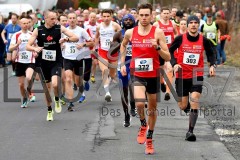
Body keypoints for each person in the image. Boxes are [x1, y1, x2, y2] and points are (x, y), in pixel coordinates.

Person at [120, 3, 170, 155]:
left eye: (146, 15)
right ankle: (143, 124)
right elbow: (123, 46)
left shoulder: (158, 32)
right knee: (140, 103)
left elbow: (167, 56)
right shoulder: (130, 32)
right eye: (141, 15)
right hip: (138, 74)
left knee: (153, 109)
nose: (143, 18)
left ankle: (149, 138)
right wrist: (122, 63)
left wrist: (157, 48)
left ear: (151, 15)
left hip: (153, 75)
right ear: (137, 16)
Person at [169, 15, 216, 141]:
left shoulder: (203, 40)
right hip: (182, 75)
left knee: (194, 99)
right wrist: (174, 64)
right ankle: (188, 108)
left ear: (198, 25)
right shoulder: (180, 38)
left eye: (196, 22)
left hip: (197, 74)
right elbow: (170, 51)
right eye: (191, 23)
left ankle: (190, 131)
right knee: (183, 106)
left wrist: (212, 65)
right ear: (188, 25)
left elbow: (211, 52)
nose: (194, 25)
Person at [26, 10, 79, 121]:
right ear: (45, 18)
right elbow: (28, 46)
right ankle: (49, 109)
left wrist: (66, 39)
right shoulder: (38, 30)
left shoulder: (59, 28)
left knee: (55, 84)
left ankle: (56, 99)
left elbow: (75, 37)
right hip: (42, 62)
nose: (55, 21)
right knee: (47, 88)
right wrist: (35, 48)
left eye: (55, 18)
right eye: (52, 19)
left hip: (56, 61)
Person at [62, 12, 94, 110]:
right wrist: (61, 46)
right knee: (68, 79)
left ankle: (82, 92)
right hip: (67, 58)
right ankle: (70, 102)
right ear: (68, 20)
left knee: (78, 81)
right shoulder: (63, 31)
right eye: (70, 18)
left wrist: (83, 45)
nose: (72, 20)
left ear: (76, 20)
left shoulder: (81, 31)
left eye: (73, 18)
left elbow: (92, 42)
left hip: (78, 59)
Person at [109, 14, 136, 127]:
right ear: (122, 22)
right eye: (126, 20)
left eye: (130, 20)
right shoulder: (119, 34)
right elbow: (111, 51)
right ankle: (126, 115)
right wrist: (122, 44)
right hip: (123, 65)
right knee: (123, 91)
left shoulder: (138, 33)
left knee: (133, 86)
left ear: (134, 22)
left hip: (135, 64)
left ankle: (133, 105)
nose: (128, 21)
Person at [9, 16, 36, 108]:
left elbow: (36, 46)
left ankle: (29, 92)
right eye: (24, 23)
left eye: (27, 23)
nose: (26, 25)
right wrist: (17, 44)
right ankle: (24, 98)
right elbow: (10, 48)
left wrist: (35, 51)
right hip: (19, 61)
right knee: (21, 85)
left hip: (30, 60)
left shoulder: (32, 34)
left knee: (28, 77)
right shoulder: (16, 35)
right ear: (20, 24)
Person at [95, 9, 121, 102]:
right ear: (101, 17)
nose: (106, 18)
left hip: (113, 51)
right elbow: (97, 37)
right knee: (105, 70)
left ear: (111, 16)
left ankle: (110, 79)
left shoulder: (116, 26)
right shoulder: (99, 27)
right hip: (103, 51)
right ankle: (107, 93)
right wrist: (95, 48)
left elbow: (121, 38)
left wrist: (119, 45)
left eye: (108, 16)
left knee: (112, 74)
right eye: (104, 16)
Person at [153, 7, 178, 101]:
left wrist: (174, 41)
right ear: (161, 14)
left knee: (170, 69)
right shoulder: (156, 24)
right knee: (160, 69)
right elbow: (153, 35)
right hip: (160, 50)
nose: (166, 15)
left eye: (168, 13)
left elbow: (176, 33)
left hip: (170, 50)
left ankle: (168, 92)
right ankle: (162, 82)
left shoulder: (173, 24)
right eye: (164, 13)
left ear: (170, 14)